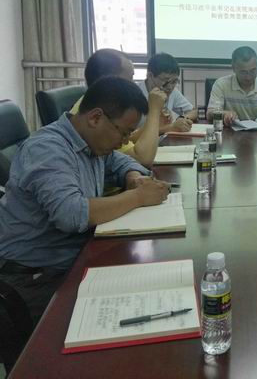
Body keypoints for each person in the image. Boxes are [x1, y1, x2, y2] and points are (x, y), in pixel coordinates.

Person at [0, 77, 169, 330]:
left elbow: (120, 162)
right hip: (34, 279)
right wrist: (138, 196)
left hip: (72, 259)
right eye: (123, 132)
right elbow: (71, 214)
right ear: (95, 117)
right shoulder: (48, 149)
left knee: (152, 282)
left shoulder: (91, 142)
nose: (125, 142)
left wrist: (134, 178)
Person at [70, 48, 166, 167]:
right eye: (130, 79)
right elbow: (143, 159)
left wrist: (131, 173)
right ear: (110, 81)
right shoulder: (101, 113)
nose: (133, 85)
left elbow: (120, 157)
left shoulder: (95, 105)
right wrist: (154, 111)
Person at [206, 46, 257, 126]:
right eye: (243, 72)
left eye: (253, 71)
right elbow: (209, 115)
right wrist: (224, 114)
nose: (248, 77)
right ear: (234, 68)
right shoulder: (221, 84)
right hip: (230, 132)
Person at [138, 52, 197, 133]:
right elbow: (131, 136)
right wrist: (170, 127)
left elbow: (193, 111)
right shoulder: (135, 94)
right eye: (166, 80)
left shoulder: (172, 91)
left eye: (174, 81)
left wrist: (182, 119)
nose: (170, 87)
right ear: (150, 76)